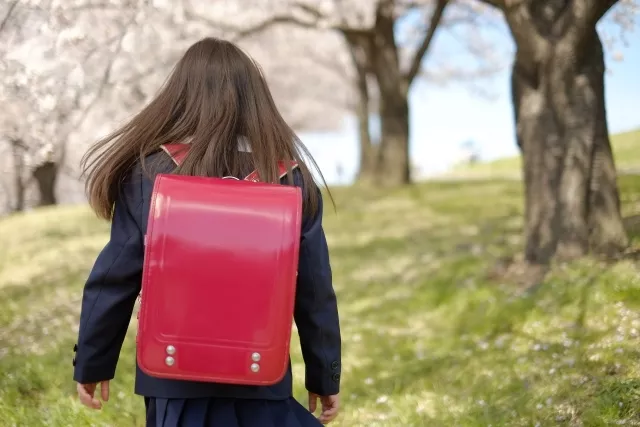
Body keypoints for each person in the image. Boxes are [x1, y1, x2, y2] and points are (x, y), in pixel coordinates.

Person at [72, 37, 342, 427]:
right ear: (257, 102)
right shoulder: (290, 178)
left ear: (180, 98)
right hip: (260, 376)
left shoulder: (149, 174)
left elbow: (114, 278)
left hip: (172, 378)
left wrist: (94, 361)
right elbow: (314, 289)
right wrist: (324, 374)